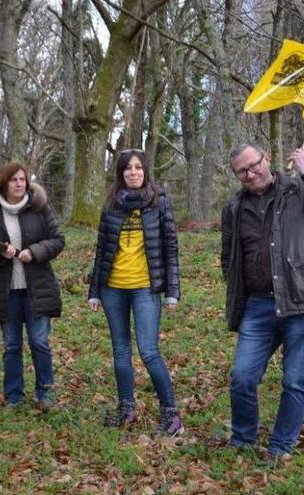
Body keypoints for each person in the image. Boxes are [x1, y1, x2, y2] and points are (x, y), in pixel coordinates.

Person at [221, 144, 304, 461]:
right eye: (243, 171)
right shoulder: (234, 208)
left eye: (255, 165)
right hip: (257, 306)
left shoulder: (298, 189)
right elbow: (229, 256)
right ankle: (243, 438)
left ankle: (280, 447)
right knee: (242, 377)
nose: (251, 174)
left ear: (267, 159)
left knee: (294, 380)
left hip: (302, 302)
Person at [88, 148, 183, 436]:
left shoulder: (159, 203)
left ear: (145, 172)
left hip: (145, 288)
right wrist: (94, 290)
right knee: (120, 351)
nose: (133, 173)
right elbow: (101, 249)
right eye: (128, 168)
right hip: (112, 288)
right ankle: (126, 409)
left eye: (138, 168)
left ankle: (171, 414)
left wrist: (172, 292)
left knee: (149, 351)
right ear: (121, 173)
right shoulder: (111, 205)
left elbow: (171, 249)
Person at [0, 163, 65, 411]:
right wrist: (1, 253)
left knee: (39, 342)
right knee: (11, 344)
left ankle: (45, 393)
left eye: (23, 179)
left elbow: (58, 240)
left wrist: (34, 252)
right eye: (14, 180)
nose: (19, 183)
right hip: (6, 290)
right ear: (4, 183)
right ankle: (14, 396)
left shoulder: (40, 207)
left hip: (38, 288)